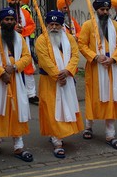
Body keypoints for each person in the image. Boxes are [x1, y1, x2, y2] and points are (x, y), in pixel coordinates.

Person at [77, 0, 117, 150]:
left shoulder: (116, 26)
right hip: (95, 69)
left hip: (111, 68)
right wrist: (95, 56)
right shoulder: (88, 25)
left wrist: (114, 59)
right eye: (102, 9)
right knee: (93, 98)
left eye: (107, 9)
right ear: (96, 10)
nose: (105, 12)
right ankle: (88, 126)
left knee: (111, 99)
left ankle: (110, 133)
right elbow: (82, 44)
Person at [0, 7, 33, 161]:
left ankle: (18, 145)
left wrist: (15, 67)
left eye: (12, 20)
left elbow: (27, 56)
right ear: (1, 21)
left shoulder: (19, 37)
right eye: (7, 20)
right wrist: (1, 72)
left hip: (15, 78)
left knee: (16, 111)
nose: (10, 22)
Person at [36, 10, 83, 158]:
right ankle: (57, 141)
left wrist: (68, 71)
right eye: (52, 24)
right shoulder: (41, 40)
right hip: (49, 81)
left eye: (57, 24)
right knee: (52, 109)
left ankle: (59, 135)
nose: (54, 27)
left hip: (66, 79)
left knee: (65, 107)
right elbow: (44, 60)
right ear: (47, 25)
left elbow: (75, 56)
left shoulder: (69, 38)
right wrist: (57, 75)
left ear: (62, 26)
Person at [7, 0, 37, 104]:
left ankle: (31, 94)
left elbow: (32, 25)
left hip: (24, 41)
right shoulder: (6, 13)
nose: (16, 2)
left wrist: (23, 31)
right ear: (9, 1)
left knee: (28, 66)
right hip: (10, 42)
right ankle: (14, 91)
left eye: (17, 0)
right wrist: (14, 29)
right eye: (13, 0)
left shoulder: (25, 12)